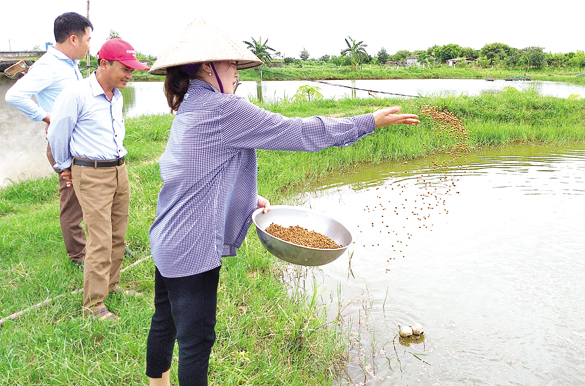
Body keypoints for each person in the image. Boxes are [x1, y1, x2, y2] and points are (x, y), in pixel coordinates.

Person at [144, 19, 419, 386]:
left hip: (167, 236)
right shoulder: (224, 110)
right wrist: (367, 121)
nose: (236, 74)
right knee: (196, 341)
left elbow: (191, 173)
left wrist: (243, 196)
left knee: (164, 320)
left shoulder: (192, 106)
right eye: (232, 66)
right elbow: (298, 132)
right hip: (192, 246)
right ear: (209, 67)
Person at [47, 38, 149, 320]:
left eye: (132, 70)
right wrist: (65, 166)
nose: (130, 75)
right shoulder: (77, 94)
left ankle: (112, 286)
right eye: (125, 69)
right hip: (91, 173)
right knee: (100, 239)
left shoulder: (116, 95)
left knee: (118, 234)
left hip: (119, 170)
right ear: (104, 64)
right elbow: (57, 133)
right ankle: (93, 306)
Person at [5, 12, 93, 267]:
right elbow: (15, 95)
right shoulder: (48, 66)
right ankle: (79, 256)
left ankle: (101, 245)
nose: (90, 45)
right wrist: (48, 118)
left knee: (93, 193)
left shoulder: (69, 64)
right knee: (72, 199)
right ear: (74, 39)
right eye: (88, 39)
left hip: (81, 139)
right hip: (63, 142)